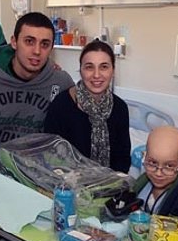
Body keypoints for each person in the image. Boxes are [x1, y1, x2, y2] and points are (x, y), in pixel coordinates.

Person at [0, 11, 74, 157]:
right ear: (14, 42)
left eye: (45, 44)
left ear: (52, 48)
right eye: (29, 41)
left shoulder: (61, 82)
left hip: (38, 170)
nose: (37, 51)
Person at [43, 40, 131, 172]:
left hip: (109, 184)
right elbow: (52, 158)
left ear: (113, 71)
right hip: (67, 185)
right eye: (89, 67)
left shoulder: (119, 108)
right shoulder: (61, 106)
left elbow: (122, 160)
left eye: (104, 67)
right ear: (81, 70)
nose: (96, 75)